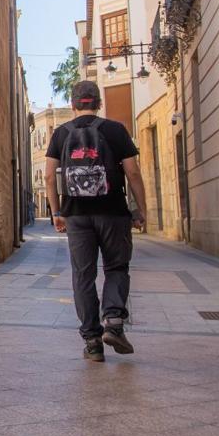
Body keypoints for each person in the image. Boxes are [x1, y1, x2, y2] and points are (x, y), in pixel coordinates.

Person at [44, 80, 147, 362]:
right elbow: (133, 173)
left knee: (83, 275)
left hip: (76, 215)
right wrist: (139, 209)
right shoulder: (115, 130)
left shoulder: (61, 134)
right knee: (116, 266)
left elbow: (50, 177)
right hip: (113, 211)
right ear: (98, 103)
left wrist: (56, 212)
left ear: (73, 104)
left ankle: (92, 341)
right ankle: (113, 321)